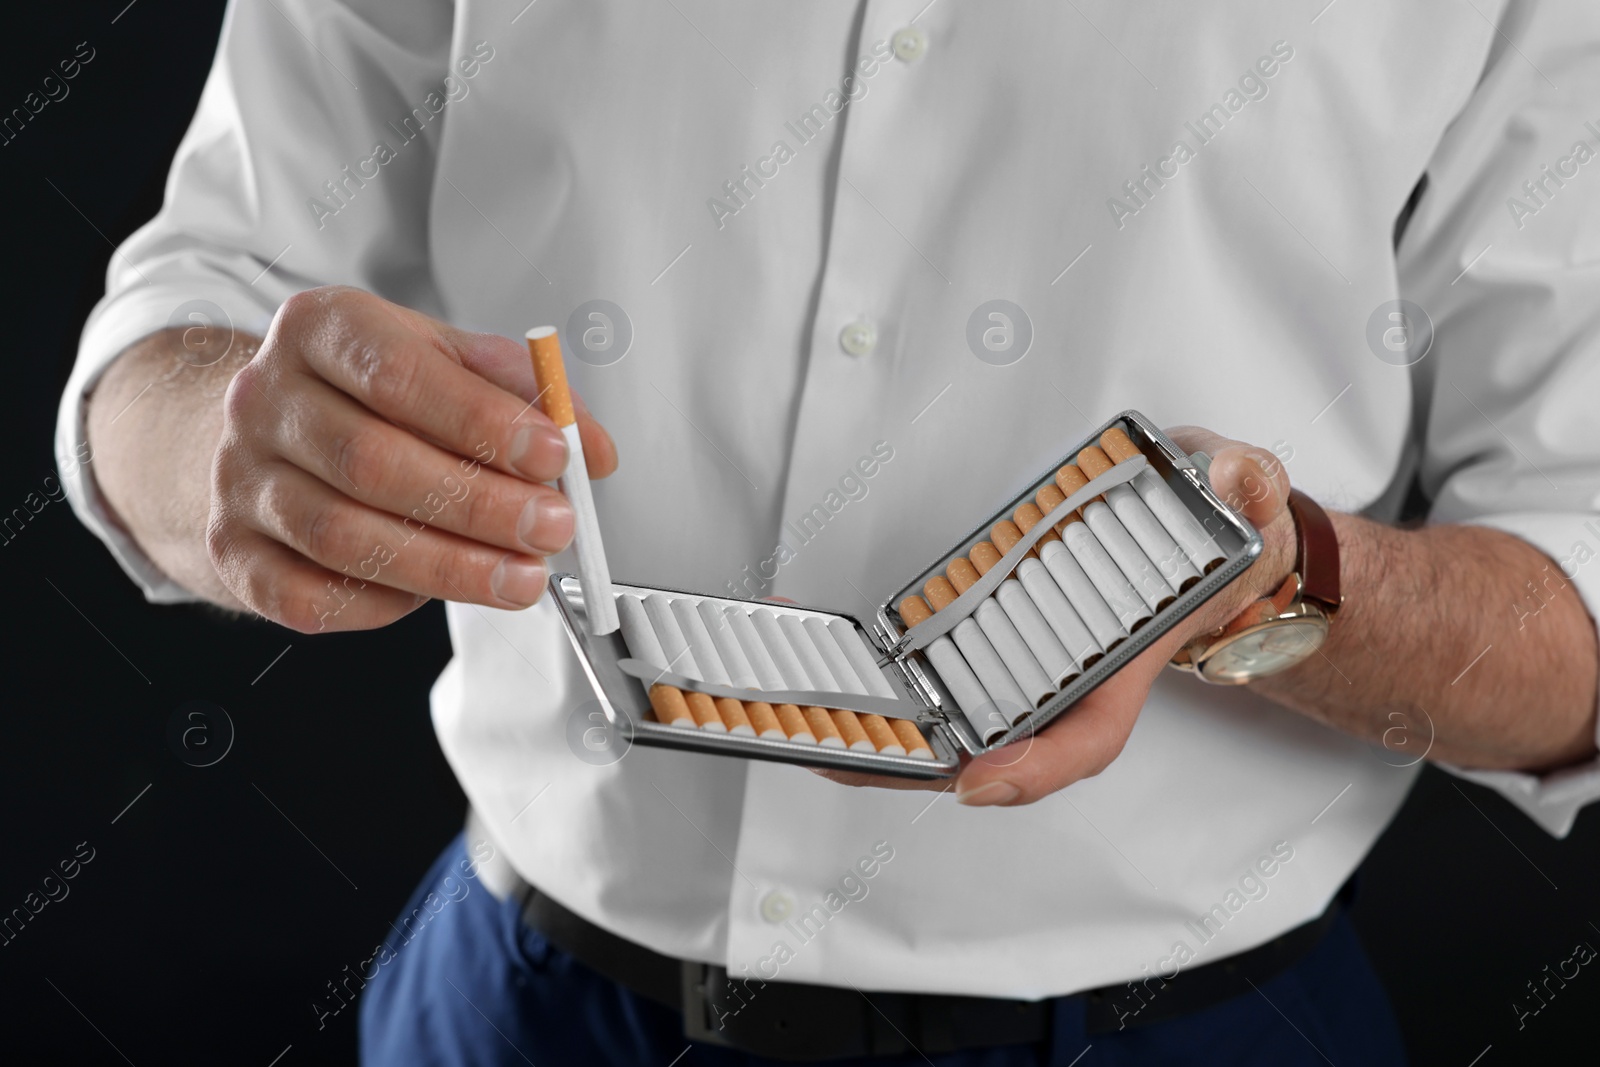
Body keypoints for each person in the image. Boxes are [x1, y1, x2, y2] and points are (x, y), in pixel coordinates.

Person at [59, 1, 1600, 1063]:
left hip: (1180, 1035)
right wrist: (226, 444)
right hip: (511, 998)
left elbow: (1576, 635)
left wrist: (1246, 588)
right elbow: (192, 314)